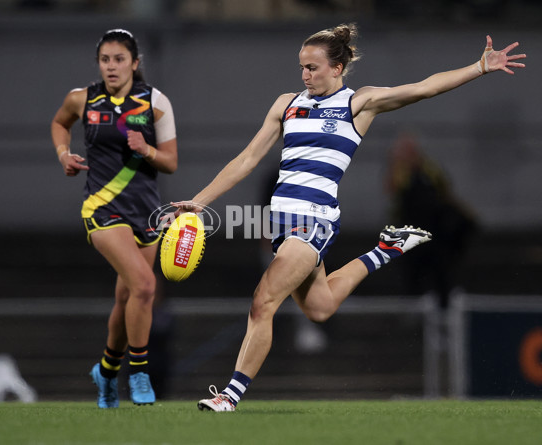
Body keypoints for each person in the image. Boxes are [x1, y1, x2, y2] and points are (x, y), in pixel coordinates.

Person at [172, 24, 526, 412]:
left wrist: (479, 66)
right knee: (319, 307)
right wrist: (200, 201)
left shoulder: (359, 103)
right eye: (302, 67)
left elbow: (425, 87)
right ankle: (385, 250)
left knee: (263, 301)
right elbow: (247, 160)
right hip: (280, 225)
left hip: (314, 222)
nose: (305, 75)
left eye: (313, 67)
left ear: (337, 68)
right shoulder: (286, 103)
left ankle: (230, 396)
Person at [50, 29, 178, 408]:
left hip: (147, 210)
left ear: (135, 63)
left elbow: (170, 162)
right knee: (143, 285)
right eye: (105, 59)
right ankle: (138, 373)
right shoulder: (82, 98)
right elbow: (60, 124)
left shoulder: (155, 103)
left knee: (127, 298)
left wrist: (147, 150)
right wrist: (63, 154)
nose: (111, 66)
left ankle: (105, 372)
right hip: (102, 208)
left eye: (119, 59)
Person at [385, 131, 479, 308]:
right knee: (413, 276)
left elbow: (446, 192)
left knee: (441, 271)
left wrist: (465, 212)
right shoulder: (400, 172)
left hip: (434, 231)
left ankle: (445, 305)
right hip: (411, 233)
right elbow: (392, 190)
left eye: (411, 149)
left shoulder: (430, 169)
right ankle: (415, 313)